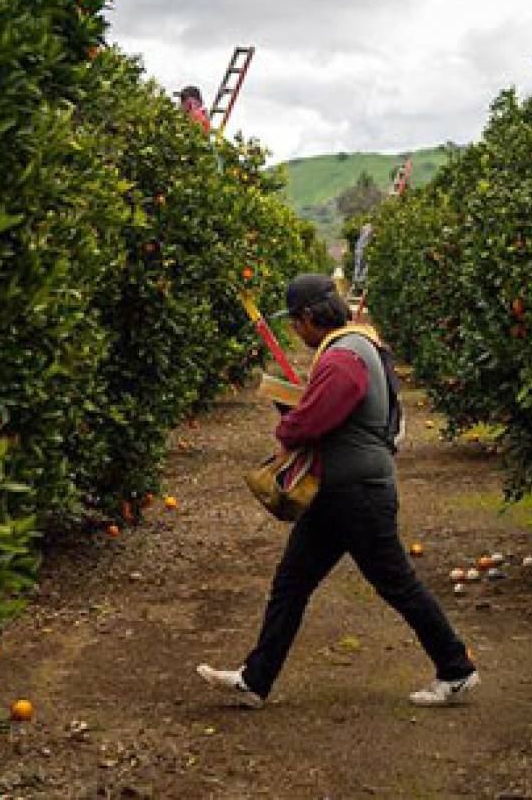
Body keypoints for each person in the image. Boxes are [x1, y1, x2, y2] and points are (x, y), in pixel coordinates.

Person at [197, 275, 479, 708]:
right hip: (338, 491)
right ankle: (256, 680)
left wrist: (288, 422)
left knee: (396, 583)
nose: (296, 333)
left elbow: (313, 422)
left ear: (310, 317)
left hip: (357, 494)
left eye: (295, 324)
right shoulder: (360, 345)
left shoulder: (344, 357)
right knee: (291, 583)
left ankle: (456, 668)